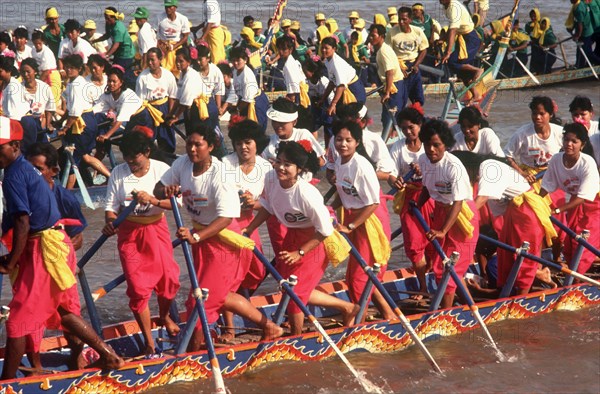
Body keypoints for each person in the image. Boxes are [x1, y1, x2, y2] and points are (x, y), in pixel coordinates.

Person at [0, 117, 124, 379]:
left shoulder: (13, 175)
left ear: (14, 146)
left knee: (17, 322)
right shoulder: (27, 170)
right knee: (61, 312)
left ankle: (7, 384)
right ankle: (108, 354)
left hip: (42, 249)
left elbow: (23, 221)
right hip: (53, 245)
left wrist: (11, 261)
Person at [154, 123, 283, 351]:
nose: (192, 150)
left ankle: (192, 352)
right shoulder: (182, 163)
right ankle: (268, 326)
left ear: (211, 147)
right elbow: (158, 187)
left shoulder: (220, 175)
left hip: (223, 238)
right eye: (189, 145)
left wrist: (197, 236)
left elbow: (226, 217)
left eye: (198, 145)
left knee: (200, 299)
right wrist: (165, 191)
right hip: (201, 237)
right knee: (218, 295)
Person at [244, 140, 359, 335]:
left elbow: (325, 230)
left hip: (315, 240)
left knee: (296, 293)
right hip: (292, 235)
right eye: (279, 161)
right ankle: (348, 307)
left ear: (299, 169)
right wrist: (248, 229)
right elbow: (267, 207)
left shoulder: (306, 193)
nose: (281, 167)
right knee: (289, 287)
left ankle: (296, 338)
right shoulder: (271, 178)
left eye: (287, 165)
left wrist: (300, 252)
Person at [103, 131, 181, 356]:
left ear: (146, 152)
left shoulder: (162, 170)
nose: (129, 163)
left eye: (134, 158)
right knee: (138, 289)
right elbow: (110, 207)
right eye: (126, 157)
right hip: (129, 234)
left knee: (170, 281)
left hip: (157, 229)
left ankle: (165, 316)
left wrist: (153, 200)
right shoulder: (118, 173)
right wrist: (110, 223)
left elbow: (177, 202)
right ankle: (148, 341)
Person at [461, 152, 557, 296]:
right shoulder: (485, 182)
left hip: (527, 211)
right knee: (506, 256)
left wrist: (459, 219)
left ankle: (523, 297)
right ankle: (510, 290)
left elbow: (480, 200)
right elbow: (499, 213)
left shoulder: (488, 167)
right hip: (513, 214)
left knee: (523, 257)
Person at [330, 120, 395, 320]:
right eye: (339, 140)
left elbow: (373, 203)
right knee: (352, 276)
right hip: (353, 219)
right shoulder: (340, 161)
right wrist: (329, 210)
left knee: (360, 278)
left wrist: (350, 226)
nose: (343, 144)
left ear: (357, 142)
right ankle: (388, 314)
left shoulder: (361, 166)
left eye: (348, 140)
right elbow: (343, 193)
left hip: (368, 221)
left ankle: (357, 324)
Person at [416, 119, 480, 309]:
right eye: (428, 145)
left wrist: (443, 230)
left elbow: (458, 202)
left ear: (445, 145)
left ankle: (445, 314)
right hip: (441, 212)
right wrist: (417, 206)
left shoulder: (453, 166)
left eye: (437, 145)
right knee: (439, 265)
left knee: (450, 268)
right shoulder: (423, 160)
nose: (432, 150)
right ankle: (470, 305)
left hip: (462, 217)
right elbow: (427, 187)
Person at [540, 123, 600, 275]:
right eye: (566, 140)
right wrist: (536, 204)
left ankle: (577, 281)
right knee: (569, 246)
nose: (569, 144)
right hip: (574, 203)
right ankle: (572, 275)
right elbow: (546, 186)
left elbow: (583, 197)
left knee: (583, 245)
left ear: (582, 144)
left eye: (574, 141)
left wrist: (557, 210)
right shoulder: (556, 160)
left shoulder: (587, 163)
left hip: (593, 203)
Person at [387, 105, 434, 297]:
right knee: (414, 245)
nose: (408, 132)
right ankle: (423, 287)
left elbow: (442, 166)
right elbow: (390, 171)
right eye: (404, 128)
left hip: (431, 196)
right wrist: (394, 180)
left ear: (420, 125)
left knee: (434, 242)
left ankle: (435, 279)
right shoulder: (398, 147)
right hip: (410, 200)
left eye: (412, 127)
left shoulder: (430, 143)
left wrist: (425, 170)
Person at [56, 53, 111, 185]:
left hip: (83, 122)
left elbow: (75, 112)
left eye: (72, 68)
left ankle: (68, 192)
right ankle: (111, 176)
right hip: (87, 119)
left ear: (79, 69)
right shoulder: (77, 82)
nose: (68, 70)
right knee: (85, 157)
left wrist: (65, 128)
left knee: (73, 160)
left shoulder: (77, 85)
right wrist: (59, 121)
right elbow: (69, 109)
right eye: (67, 67)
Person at [2, 58, 56, 153]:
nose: (26, 75)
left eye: (28, 71)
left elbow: (49, 108)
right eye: (23, 72)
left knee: (45, 153)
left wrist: (47, 124)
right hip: (24, 123)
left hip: (38, 123)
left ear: (35, 71)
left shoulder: (44, 87)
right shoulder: (18, 87)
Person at [94, 65, 153, 145]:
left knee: (135, 147)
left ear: (121, 83)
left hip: (142, 118)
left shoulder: (127, 95)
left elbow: (119, 121)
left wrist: (106, 136)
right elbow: (94, 110)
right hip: (130, 120)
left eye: (114, 81)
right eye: (109, 81)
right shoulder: (107, 95)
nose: (111, 84)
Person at [439, 0, 483, 103]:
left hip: (470, 39)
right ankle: (476, 94)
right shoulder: (447, 6)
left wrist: (448, 52)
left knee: (451, 61)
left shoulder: (454, 7)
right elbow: (452, 29)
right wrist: (442, 39)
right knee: (461, 72)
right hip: (463, 38)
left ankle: (477, 70)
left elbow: (453, 30)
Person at [368, 24, 407, 141]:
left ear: (381, 36)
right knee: (391, 117)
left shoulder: (384, 51)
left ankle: (384, 143)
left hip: (394, 86)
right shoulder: (381, 49)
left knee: (389, 118)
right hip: (395, 84)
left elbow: (389, 72)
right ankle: (390, 139)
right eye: (370, 35)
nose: (370, 38)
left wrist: (387, 93)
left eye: (373, 35)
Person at [136, 47, 178, 153]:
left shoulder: (168, 75)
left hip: (164, 108)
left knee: (167, 141)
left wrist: (171, 114)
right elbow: (140, 101)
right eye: (148, 60)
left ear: (160, 59)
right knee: (147, 141)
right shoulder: (142, 78)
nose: (150, 63)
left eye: (153, 60)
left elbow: (172, 96)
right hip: (149, 110)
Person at [385, 7, 428, 106]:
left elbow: (423, 50)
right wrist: (399, 67)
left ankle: (417, 117)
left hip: (413, 65)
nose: (401, 22)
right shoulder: (392, 33)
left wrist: (416, 65)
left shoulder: (417, 31)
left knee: (418, 98)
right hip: (399, 66)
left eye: (404, 19)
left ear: (410, 20)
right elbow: (388, 53)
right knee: (401, 99)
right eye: (399, 19)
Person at [320, 37, 366, 116]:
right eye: (322, 48)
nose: (323, 50)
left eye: (326, 48)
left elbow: (341, 86)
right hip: (346, 88)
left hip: (354, 89)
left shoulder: (337, 64)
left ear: (334, 49)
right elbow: (332, 82)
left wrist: (333, 104)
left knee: (349, 117)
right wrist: (323, 98)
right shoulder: (328, 61)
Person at [93, 7, 136, 89]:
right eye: (105, 18)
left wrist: (107, 55)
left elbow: (116, 44)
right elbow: (107, 35)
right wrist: (95, 41)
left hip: (126, 54)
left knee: (124, 74)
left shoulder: (118, 28)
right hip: (118, 53)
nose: (106, 20)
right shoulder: (109, 24)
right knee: (115, 71)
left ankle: (133, 88)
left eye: (108, 18)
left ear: (114, 17)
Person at [229, 46, 270, 132]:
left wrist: (237, 110)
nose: (235, 63)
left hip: (254, 103)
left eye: (238, 60)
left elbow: (247, 100)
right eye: (233, 60)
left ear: (245, 60)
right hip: (244, 100)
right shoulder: (235, 71)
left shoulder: (247, 76)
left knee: (255, 131)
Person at [156, 0, 190, 76]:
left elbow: (185, 36)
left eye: (170, 6)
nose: (167, 9)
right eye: (166, 6)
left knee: (177, 71)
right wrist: (159, 45)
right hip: (163, 47)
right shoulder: (159, 17)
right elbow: (153, 34)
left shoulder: (182, 19)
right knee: (164, 71)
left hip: (177, 47)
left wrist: (174, 46)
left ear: (175, 7)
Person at [276, 35, 309, 107]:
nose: (281, 52)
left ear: (290, 50)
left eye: (284, 49)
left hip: (298, 97)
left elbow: (293, 91)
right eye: (279, 49)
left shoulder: (289, 66)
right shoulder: (293, 61)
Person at [569, 95, 600, 165]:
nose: (579, 118)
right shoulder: (569, 132)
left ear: (591, 114)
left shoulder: (598, 129)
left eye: (583, 114)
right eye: (575, 114)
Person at [200, 0, 226, 64]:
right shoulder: (208, 2)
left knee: (216, 54)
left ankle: (217, 69)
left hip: (214, 32)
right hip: (211, 30)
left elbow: (211, 22)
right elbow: (208, 20)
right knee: (210, 52)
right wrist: (197, 27)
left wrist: (202, 37)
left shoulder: (210, 2)